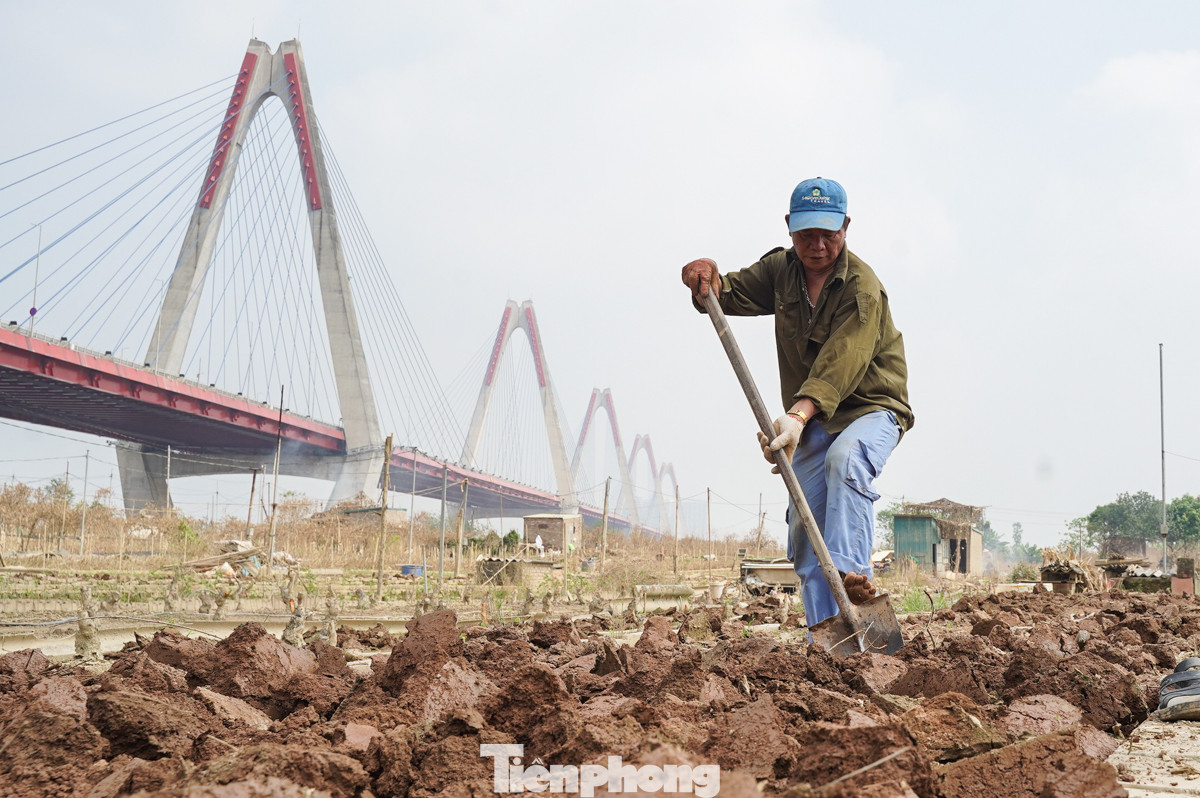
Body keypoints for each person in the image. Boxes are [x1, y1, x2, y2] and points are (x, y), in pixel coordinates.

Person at [680, 177, 913, 629]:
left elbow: (839, 362)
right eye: (808, 234)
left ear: (846, 227)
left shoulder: (862, 288)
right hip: (811, 419)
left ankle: (854, 583)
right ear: (790, 228)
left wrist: (797, 416)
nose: (819, 245)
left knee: (846, 461)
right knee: (805, 527)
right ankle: (828, 636)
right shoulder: (781, 272)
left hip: (872, 408)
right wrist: (705, 277)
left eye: (829, 234)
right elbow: (727, 292)